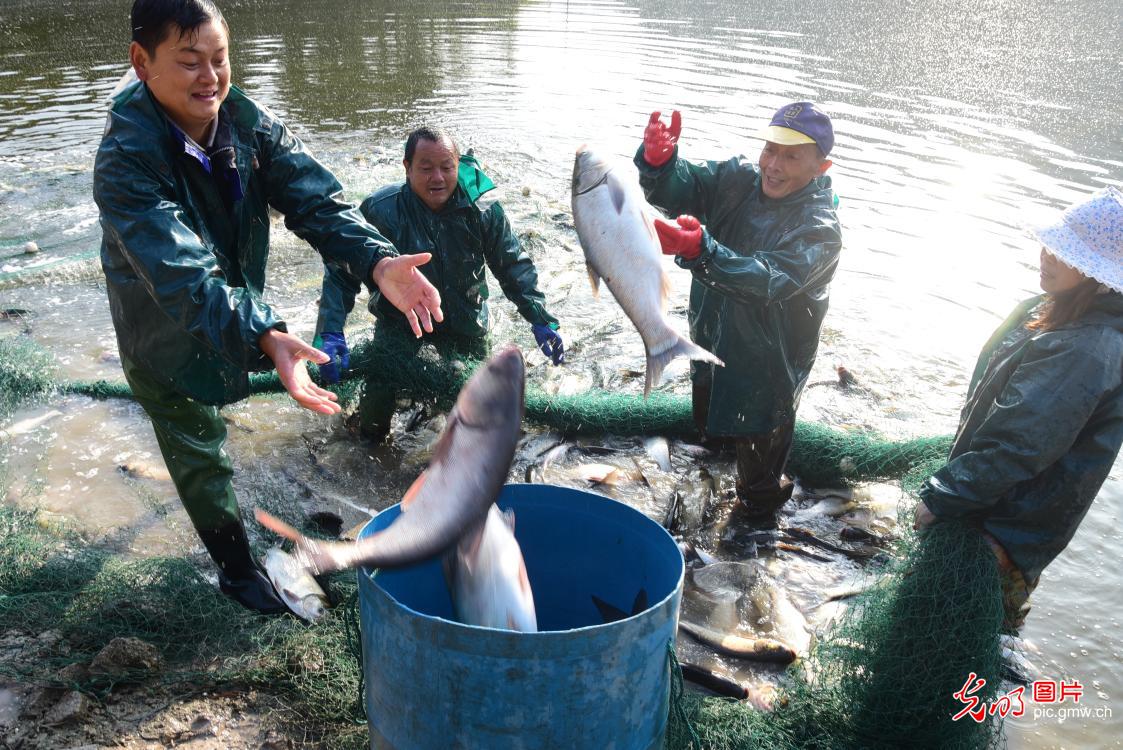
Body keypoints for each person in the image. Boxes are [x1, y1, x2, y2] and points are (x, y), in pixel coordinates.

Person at [93, 0, 444, 615]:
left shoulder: (249, 125)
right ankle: (234, 569)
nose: (210, 78)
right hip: (160, 325)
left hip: (233, 302)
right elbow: (181, 277)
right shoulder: (124, 161)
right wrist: (267, 334)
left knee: (228, 404)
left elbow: (317, 202)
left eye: (220, 59)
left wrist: (378, 261)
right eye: (190, 62)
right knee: (194, 436)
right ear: (141, 64)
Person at [916, 187, 1123, 630]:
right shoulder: (1054, 310)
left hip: (1006, 529)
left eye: (1065, 252)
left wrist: (944, 497)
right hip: (993, 507)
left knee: (960, 628)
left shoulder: (1088, 347)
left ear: (1100, 275)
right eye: (1051, 243)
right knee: (968, 624)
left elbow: (1020, 444)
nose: (1046, 255)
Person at [635, 103, 842, 519]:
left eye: (791, 156)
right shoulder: (737, 179)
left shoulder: (820, 229)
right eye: (770, 150)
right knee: (707, 433)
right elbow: (685, 188)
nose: (773, 165)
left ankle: (758, 528)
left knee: (758, 483)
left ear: (821, 166)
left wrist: (700, 250)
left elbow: (768, 279)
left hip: (768, 368)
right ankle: (709, 477)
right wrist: (661, 164)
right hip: (711, 337)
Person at [315, 126, 564, 441]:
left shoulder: (483, 209)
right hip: (400, 322)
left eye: (447, 167)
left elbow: (512, 264)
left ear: (458, 166)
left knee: (472, 417)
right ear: (406, 168)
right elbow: (342, 270)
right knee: (375, 413)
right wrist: (331, 329)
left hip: (465, 322)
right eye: (426, 168)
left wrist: (540, 318)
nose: (438, 178)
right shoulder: (380, 209)